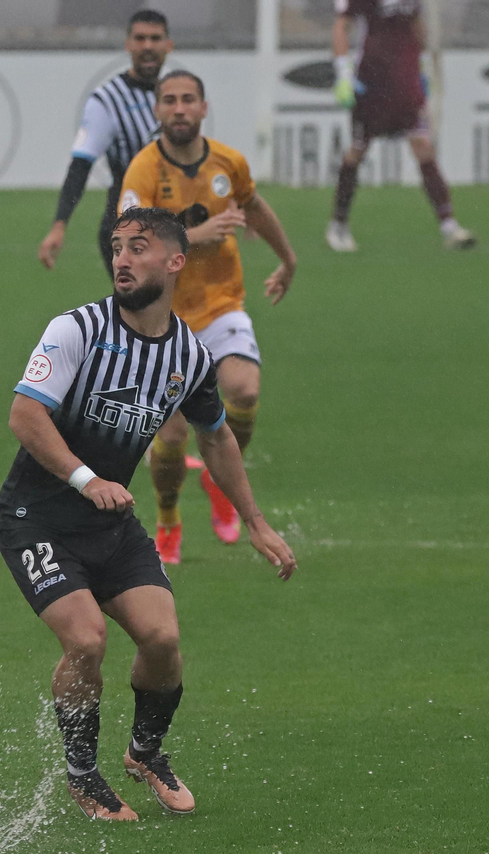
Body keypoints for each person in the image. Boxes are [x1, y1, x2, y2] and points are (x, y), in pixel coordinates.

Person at [0, 207, 297, 821]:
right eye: (116, 248)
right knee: (86, 638)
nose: (123, 259)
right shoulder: (76, 329)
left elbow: (215, 438)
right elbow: (26, 417)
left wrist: (257, 521)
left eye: (138, 247)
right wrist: (86, 479)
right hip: (37, 518)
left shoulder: (187, 352)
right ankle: (84, 775)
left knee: (162, 640)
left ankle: (145, 752)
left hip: (109, 523)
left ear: (174, 261)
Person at [118, 70, 298, 564]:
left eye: (188, 100)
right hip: (162, 320)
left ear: (202, 107)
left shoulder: (228, 162)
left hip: (221, 304)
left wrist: (287, 259)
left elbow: (254, 206)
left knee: (244, 389)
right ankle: (169, 515)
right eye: (169, 101)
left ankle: (222, 482)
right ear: (157, 111)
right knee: (172, 437)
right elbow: (130, 242)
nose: (179, 108)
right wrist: (196, 235)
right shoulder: (143, 171)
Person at [327, 0, 476, 252]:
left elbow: (416, 24)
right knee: (358, 150)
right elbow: (342, 26)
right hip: (373, 83)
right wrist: (343, 73)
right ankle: (338, 225)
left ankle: (449, 227)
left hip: (405, 83)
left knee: (423, 146)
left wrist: (422, 64)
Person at [38, 8, 171, 274]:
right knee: (142, 312)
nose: (147, 46)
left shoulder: (175, 95)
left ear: (169, 45)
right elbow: (81, 165)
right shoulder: (107, 100)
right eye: (140, 38)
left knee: (182, 310)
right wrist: (59, 225)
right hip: (126, 224)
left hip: (174, 221)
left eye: (155, 39)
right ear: (128, 44)